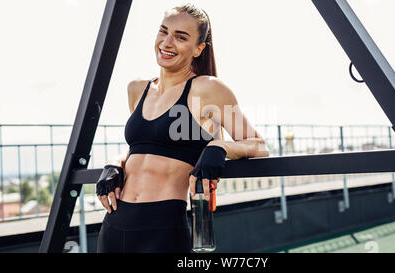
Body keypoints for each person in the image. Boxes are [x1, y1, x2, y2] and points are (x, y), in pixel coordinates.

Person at [96, 3, 269, 253]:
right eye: (163, 31)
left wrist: (219, 146)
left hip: (163, 229)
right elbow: (142, 149)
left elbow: (259, 145)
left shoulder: (208, 89)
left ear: (198, 49)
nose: (167, 43)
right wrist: (114, 162)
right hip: (114, 224)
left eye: (180, 37)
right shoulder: (137, 89)